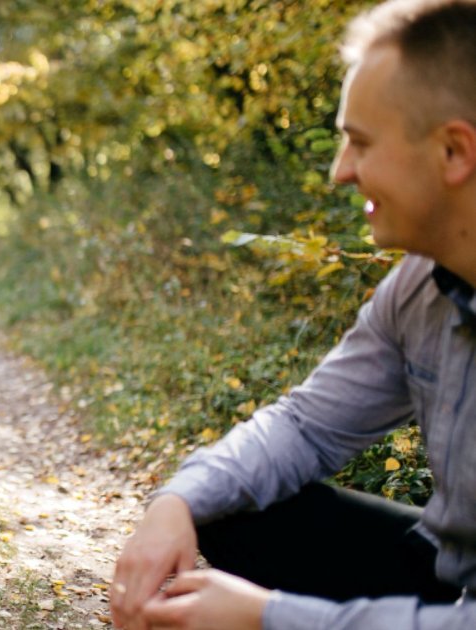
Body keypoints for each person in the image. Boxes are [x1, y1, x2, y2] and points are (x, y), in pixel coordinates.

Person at [109, 1, 476, 628]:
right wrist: (176, 498)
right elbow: (304, 427)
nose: (341, 171)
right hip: (448, 568)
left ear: (453, 151)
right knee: (224, 504)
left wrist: (271, 616)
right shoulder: (416, 285)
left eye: (359, 142)